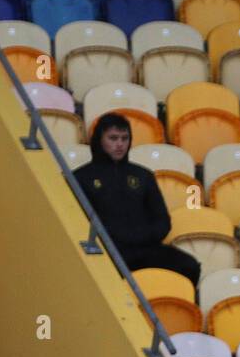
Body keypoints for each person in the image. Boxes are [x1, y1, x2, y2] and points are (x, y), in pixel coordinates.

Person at [74, 115, 201, 286]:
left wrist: (140, 237)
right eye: (113, 138)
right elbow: (78, 224)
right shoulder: (81, 177)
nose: (120, 144)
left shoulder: (143, 175)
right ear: (99, 140)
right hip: (106, 251)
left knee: (189, 266)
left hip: (145, 248)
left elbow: (162, 221)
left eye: (124, 138)